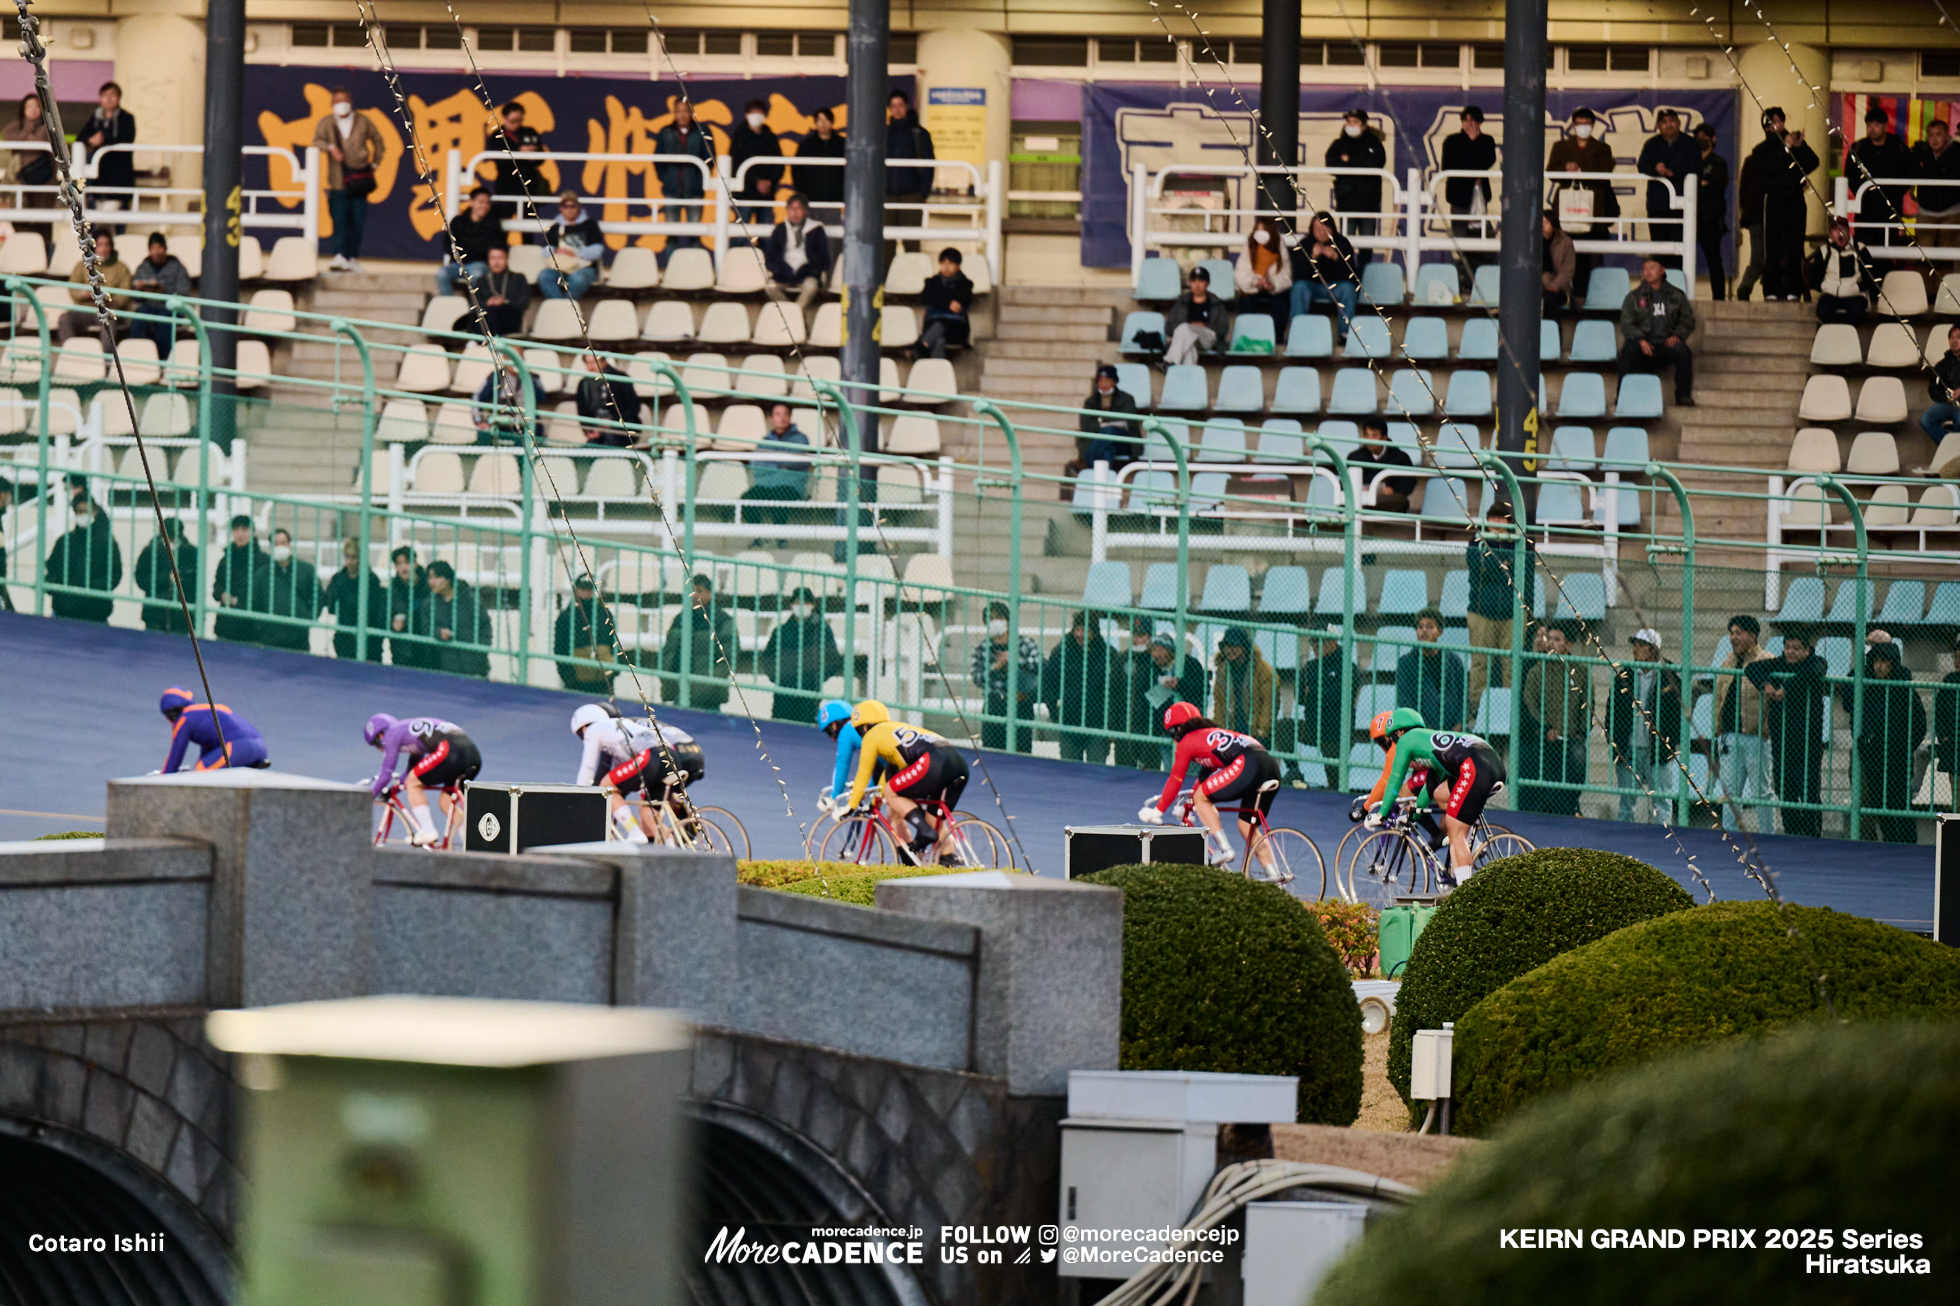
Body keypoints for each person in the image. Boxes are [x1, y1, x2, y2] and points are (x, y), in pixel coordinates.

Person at [1352, 707, 1507, 884]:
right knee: (1442, 794)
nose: (1394, 744)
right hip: (1492, 765)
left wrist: (1382, 813)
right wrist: (1414, 814)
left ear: (1400, 732)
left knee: (1455, 831)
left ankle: (1465, 895)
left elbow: (1395, 778)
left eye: (1393, 739)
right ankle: (1467, 844)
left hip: (1474, 767)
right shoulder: (1430, 741)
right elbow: (1431, 786)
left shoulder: (1406, 741)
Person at [1138, 701, 1284, 877]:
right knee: (1247, 828)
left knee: (1202, 799)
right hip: (1268, 766)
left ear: (1176, 731)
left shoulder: (1186, 742)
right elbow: (1205, 775)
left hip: (1248, 763)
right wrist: (1191, 797)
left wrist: (1158, 810)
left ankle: (1224, 849)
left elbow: (1175, 779)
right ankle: (1275, 877)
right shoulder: (1208, 736)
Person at [840, 700, 969, 864]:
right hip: (958, 763)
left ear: (864, 727)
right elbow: (887, 776)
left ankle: (924, 832)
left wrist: (851, 804)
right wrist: (874, 803)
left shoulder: (872, 736)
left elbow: (863, 773)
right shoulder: (893, 732)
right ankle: (949, 860)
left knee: (891, 793)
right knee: (934, 820)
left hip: (934, 762)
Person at [571, 703, 705, 844]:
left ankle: (634, 832)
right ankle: (670, 845)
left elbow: (588, 767)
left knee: (606, 787)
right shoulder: (622, 727)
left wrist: (581, 794)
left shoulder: (593, 730)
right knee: (647, 814)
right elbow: (622, 770)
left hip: (652, 756)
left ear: (584, 728)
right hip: (672, 756)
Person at [1837, 640, 1926, 843]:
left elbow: (1919, 724)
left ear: (1893, 663)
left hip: (1897, 760)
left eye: (1884, 662)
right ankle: (1890, 844)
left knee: (1900, 805)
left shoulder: (1904, 688)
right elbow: (1848, 699)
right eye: (1875, 661)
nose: (1879, 666)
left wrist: (1902, 747)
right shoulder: (1867, 684)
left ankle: (1908, 846)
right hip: (1873, 757)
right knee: (1879, 806)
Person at [1464, 502, 1535, 726]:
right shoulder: (1475, 540)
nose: (1496, 523)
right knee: (1480, 664)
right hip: (1481, 612)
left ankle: (1509, 713)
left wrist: (1498, 564)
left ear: (1509, 522)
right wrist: (1505, 565)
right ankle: (1476, 711)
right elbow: (1480, 568)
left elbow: (1525, 572)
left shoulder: (1522, 542)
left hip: (1513, 613)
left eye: (1501, 518)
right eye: (1492, 518)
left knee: (1511, 666)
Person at [364, 713, 481, 846]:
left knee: (412, 783)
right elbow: (412, 769)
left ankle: (428, 831)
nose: (379, 749)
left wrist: (366, 797)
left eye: (376, 744)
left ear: (380, 735)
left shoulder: (391, 733)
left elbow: (386, 773)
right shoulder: (407, 732)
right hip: (472, 754)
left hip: (450, 749)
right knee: (446, 802)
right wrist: (393, 790)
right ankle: (472, 846)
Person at [1606, 627, 1683, 824]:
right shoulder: (1623, 677)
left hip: (1658, 749)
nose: (1634, 649)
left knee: (1661, 802)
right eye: (1635, 645)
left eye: (1640, 645)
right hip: (1628, 747)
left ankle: (1662, 841)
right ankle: (1623, 841)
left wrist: (1670, 743)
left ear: (1653, 649)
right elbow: (1611, 712)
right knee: (1626, 803)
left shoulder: (1670, 677)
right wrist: (1614, 742)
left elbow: (1679, 716)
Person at [1759, 626, 1830, 837]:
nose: (1790, 652)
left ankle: (1811, 834)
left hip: (1808, 740)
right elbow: (1752, 669)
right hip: (1782, 739)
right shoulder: (1778, 663)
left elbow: (1814, 672)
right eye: (1787, 647)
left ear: (1807, 650)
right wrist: (1766, 684)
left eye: (1796, 648)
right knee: (1785, 790)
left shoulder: (1816, 662)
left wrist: (1787, 687)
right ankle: (1791, 833)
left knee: (1808, 790)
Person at [1519, 620, 1590, 816]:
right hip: (1545, 735)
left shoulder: (1581, 671)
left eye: (1556, 639)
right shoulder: (1536, 671)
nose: (1550, 643)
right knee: (1542, 763)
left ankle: (1570, 805)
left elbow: (1587, 705)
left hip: (1571, 736)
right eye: (1549, 638)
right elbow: (1530, 703)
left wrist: (1581, 732)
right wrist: (1545, 727)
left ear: (1568, 645)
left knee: (1578, 759)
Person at [1713, 613, 1774, 833]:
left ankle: (1768, 833)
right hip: (1729, 736)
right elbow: (1719, 697)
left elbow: (1773, 702)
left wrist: (1766, 728)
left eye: (1738, 633)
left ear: (1752, 635)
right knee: (1729, 791)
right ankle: (1729, 832)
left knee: (1761, 791)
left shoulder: (1767, 661)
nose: (1733, 638)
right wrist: (1718, 728)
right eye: (1731, 633)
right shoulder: (1727, 662)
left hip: (1756, 737)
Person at [1750, 108, 1819, 300]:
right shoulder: (1761, 149)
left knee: (1795, 246)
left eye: (1781, 121)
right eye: (1774, 123)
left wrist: (1800, 145)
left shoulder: (1794, 143)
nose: (1779, 125)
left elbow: (1814, 161)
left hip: (1796, 199)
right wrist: (1786, 149)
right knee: (1772, 247)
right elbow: (1768, 169)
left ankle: (1793, 290)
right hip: (1774, 200)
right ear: (1766, 126)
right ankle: (1771, 289)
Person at [312, 86, 381, 272]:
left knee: (357, 220)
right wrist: (330, 147)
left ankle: (352, 257)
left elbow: (379, 141)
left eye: (345, 101)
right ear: (332, 104)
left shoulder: (363, 120)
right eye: (337, 101)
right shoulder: (326, 123)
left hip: (359, 179)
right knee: (339, 219)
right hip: (337, 181)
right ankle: (339, 255)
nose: (341, 105)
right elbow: (316, 141)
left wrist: (373, 165)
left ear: (350, 102)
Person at [1547, 107, 1619, 287]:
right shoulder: (1560, 146)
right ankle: (1561, 294)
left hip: (1594, 208)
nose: (1582, 127)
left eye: (1586, 123)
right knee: (1562, 255)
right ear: (1573, 125)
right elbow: (1551, 172)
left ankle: (1591, 298)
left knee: (1592, 259)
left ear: (1593, 125)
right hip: (1566, 207)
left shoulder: (1603, 148)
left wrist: (1581, 171)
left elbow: (1605, 172)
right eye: (1579, 124)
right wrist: (1565, 170)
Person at [1617, 255, 1696, 406]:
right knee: (1627, 351)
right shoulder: (1634, 297)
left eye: (1652, 268)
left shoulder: (1676, 295)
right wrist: (1640, 340)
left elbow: (1688, 320)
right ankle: (1622, 396)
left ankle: (1683, 396)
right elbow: (1626, 323)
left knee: (1683, 351)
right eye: (1645, 269)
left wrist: (1677, 335)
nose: (1648, 272)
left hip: (1665, 344)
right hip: (1643, 344)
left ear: (1662, 270)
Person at [758, 585, 842, 723]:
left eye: (806, 602)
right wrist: (778, 677)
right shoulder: (782, 631)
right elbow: (767, 658)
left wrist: (816, 679)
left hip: (809, 695)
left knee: (806, 733)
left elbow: (833, 660)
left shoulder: (821, 631)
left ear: (813, 605)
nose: (801, 606)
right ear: (792, 605)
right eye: (798, 602)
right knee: (780, 730)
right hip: (784, 694)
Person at [1042, 609, 1114, 763]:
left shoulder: (1107, 654)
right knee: (1070, 771)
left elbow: (1115, 691)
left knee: (1096, 771)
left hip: (1097, 725)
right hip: (1069, 724)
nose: (1080, 634)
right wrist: (1055, 714)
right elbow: (1049, 685)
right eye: (1077, 629)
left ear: (1094, 631)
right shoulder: (1061, 652)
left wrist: (1110, 722)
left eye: (1085, 630)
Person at [660, 573, 737, 709]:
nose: (695, 596)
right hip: (679, 690)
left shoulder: (722, 621)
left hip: (709, 697)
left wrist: (705, 685)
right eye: (692, 591)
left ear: (709, 593)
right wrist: (668, 680)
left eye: (699, 591)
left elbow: (729, 657)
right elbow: (669, 652)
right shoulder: (680, 620)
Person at [971, 599, 1039, 751]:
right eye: (990, 620)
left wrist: (1015, 660)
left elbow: (1037, 665)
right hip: (994, 704)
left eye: (999, 619)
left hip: (1020, 703)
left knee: (1021, 754)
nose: (995, 622)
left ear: (1007, 621)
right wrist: (996, 666)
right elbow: (977, 677)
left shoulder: (1025, 643)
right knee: (992, 754)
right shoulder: (981, 648)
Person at [44, 491, 119, 623]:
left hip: (95, 613)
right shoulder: (64, 542)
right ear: (74, 512)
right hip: (65, 611)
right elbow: (52, 570)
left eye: (87, 511)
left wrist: (89, 589)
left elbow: (114, 575)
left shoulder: (106, 543)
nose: (83, 515)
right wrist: (58, 589)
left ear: (95, 512)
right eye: (80, 511)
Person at [739, 401, 812, 536]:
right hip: (766, 486)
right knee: (747, 498)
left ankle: (780, 537)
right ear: (772, 418)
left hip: (790, 486)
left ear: (790, 417)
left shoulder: (801, 439)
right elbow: (757, 465)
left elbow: (797, 462)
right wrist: (783, 463)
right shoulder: (764, 441)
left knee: (780, 495)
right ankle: (757, 535)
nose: (782, 418)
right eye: (778, 414)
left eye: (785, 414)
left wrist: (772, 460)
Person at [1439, 105, 1497, 273]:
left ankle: (1485, 270)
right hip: (1459, 196)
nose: (1469, 124)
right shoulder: (1452, 141)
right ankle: (1464, 273)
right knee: (1460, 234)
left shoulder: (1487, 141)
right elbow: (1450, 165)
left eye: (1473, 120)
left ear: (1480, 122)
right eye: (1466, 120)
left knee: (1485, 233)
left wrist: (1475, 142)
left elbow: (1486, 162)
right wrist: (1470, 143)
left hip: (1480, 194)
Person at [1636, 110, 1698, 267]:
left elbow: (1696, 167)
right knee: (1659, 252)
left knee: (1680, 253)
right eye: (1664, 122)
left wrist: (1672, 172)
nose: (1668, 124)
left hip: (1683, 208)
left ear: (1679, 123)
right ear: (1658, 126)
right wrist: (1655, 169)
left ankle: (1678, 289)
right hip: (1657, 207)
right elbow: (1642, 166)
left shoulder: (1690, 143)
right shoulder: (1652, 144)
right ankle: (1661, 289)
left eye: (1672, 120)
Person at [654, 99, 714, 256]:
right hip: (671, 190)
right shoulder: (665, 132)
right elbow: (658, 159)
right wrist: (666, 178)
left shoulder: (703, 132)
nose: (682, 115)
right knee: (671, 235)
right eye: (678, 111)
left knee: (694, 235)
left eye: (685, 111)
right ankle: (672, 271)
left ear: (691, 112)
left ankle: (694, 272)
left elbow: (709, 158)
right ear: (674, 112)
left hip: (694, 191)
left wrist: (699, 180)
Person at [1844, 106, 1911, 247]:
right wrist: (1863, 194)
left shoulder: (1899, 148)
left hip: (1890, 210)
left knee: (1888, 247)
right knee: (1863, 249)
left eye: (1876, 125)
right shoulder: (1858, 148)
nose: (1872, 129)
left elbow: (1908, 175)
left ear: (1885, 126)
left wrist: (1893, 194)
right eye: (1869, 125)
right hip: (1865, 210)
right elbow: (1849, 175)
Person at [159, 687, 268, 772]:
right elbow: (208, 750)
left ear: (170, 714)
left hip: (236, 748)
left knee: (202, 771)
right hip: (260, 747)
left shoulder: (184, 719)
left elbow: (175, 756)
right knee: (208, 766)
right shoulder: (208, 710)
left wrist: (163, 782)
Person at [1296, 625, 1356, 779]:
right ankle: (1295, 771)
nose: (1316, 646)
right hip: (1312, 726)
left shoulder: (1348, 666)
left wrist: (1314, 693)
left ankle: (1334, 788)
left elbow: (1338, 698)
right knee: (1284, 728)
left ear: (1334, 642)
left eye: (1321, 642)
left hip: (1335, 732)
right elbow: (1299, 696)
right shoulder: (1311, 666)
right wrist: (1319, 695)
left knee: (1334, 774)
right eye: (1314, 642)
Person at [1324, 109, 1385, 261]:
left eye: (1355, 122)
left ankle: (1364, 278)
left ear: (1364, 125)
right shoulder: (1339, 144)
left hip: (1369, 205)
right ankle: (1348, 278)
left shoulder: (1374, 144)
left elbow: (1376, 163)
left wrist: (1349, 160)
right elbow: (1331, 164)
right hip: (1346, 203)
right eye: (1349, 121)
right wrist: (1358, 161)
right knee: (1345, 246)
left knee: (1367, 246)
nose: (1351, 125)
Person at [1287, 211, 1359, 336]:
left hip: (1336, 286)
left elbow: (1352, 275)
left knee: (1348, 289)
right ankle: (1297, 332)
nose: (1321, 233)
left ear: (1332, 228)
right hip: (1312, 286)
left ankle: (1345, 333)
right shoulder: (1305, 244)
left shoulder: (1342, 243)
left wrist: (1336, 258)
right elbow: (1297, 274)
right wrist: (1313, 257)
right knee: (1299, 288)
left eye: (1325, 228)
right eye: (1317, 229)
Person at [1396, 608, 1467, 732]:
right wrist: (1422, 727)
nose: (1424, 631)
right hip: (1421, 731)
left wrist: (1459, 724)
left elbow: (1464, 696)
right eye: (1420, 627)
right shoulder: (1406, 663)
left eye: (1430, 627)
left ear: (1439, 631)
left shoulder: (1454, 662)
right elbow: (1405, 700)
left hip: (1453, 730)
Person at [884, 90, 936, 257]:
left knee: (912, 243)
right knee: (885, 244)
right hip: (887, 196)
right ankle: (884, 282)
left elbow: (929, 165)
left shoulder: (919, 133)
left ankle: (913, 282)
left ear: (906, 106)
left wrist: (921, 194)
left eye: (900, 105)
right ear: (889, 108)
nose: (897, 109)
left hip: (911, 196)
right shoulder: (882, 134)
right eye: (893, 106)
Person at [760, 192, 831, 312]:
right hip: (784, 274)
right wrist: (781, 269)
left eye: (798, 209)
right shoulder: (780, 230)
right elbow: (770, 257)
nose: (795, 213)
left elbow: (824, 260)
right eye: (791, 209)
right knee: (769, 286)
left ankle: (793, 314)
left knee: (811, 286)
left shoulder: (816, 229)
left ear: (805, 211)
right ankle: (794, 313)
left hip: (807, 274)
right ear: (787, 210)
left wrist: (807, 269)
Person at [56, 231, 131, 344]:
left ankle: (105, 359)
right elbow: (73, 288)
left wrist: (111, 301)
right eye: (100, 244)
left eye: (107, 245)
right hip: (86, 308)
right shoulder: (81, 265)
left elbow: (125, 292)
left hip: (108, 309)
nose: (104, 248)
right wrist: (84, 295)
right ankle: (69, 352)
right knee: (64, 319)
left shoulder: (122, 268)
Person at [1109, 615, 1162, 770]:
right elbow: (1113, 693)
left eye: (1141, 635)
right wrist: (1113, 726)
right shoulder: (1122, 659)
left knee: (1150, 775)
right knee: (1122, 773)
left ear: (1150, 637)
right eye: (1134, 635)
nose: (1136, 640)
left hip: (1150, 730)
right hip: (1125, 728)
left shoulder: (1157, 661)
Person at [1070, 364, 1142, 475]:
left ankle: (1088, 467)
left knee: (1108, 432)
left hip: (1123, 442)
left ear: (1114, 381)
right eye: (1100, 380)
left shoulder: (1127, 399)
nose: (1103, 384)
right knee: (1107, 448)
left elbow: (1126, 422)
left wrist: (1101, 422)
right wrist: (1108, 423)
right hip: (1102, 440)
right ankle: (1104, 476)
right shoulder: (1091, 401)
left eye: (1107, 380)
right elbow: (1086, 424)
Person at [126, 232, 191, 355]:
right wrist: (140, 289)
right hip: (147, 307)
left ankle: (164, 360)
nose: (157, 252)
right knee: (140, 317)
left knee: (163, 320)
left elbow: (183, 294)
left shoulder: (178, 268)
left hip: (169, 309)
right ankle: (134, 354)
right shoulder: (142, 268)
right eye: (153, 248)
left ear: (165, 249)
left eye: (160, 248)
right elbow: (134, 297)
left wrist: (163, 289)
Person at [322, 538, 385, 661]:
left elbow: (375, 611)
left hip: (369, 640)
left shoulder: (371, 581)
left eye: (354, 557)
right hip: (344, 638)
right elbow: (330, 606)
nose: (350, 561)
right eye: (347, 556)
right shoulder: (338, 579)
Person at [425, 560, 492, 677]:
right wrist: (438, 632)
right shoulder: (429, 604)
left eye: (437, 577)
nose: (432, 582)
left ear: (448, 578)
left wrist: (481, 650)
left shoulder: (470, 599)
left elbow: (485, 625)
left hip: (473, 663)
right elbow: (426, 628)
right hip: (446, 664)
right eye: (430, 577)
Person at [554, 572, 619, 691]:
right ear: (576, 590)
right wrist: (569, 678)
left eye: (589, 589)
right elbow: (560, 649)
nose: (586, 593)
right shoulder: (566, 617)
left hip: (604, 681)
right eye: (583, 589)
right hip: (578, 681)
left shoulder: (604, 614)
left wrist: (614, 669)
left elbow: (614, 642)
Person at [1805, 217, 1876, 325]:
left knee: (1857, 311)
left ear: (1849, 232)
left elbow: (1871, 277)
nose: (1840, 234)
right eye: (1835, 230)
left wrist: (1857, 288)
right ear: (1831, 235)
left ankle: (1847, 334)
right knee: (1823, 311)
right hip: (1830, 294)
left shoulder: (1860, 250)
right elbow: (1814, 277)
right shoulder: (1824, 251)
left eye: (1842, 229)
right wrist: (1825, 286)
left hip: (1854, 295)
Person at [488, 101, 544, 236]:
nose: (516, 124)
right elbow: (499, 160)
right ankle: (499, 255)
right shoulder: (497, 136)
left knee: (529, 227)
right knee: (502, 225)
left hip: (528, 186)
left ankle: (528, 253)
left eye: (519, 120)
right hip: (506, 186)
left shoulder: (530, 132)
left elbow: (541, 157)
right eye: (513, 121)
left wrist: (533, 155)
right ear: (504, 118)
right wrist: (520, 152)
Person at [79, 82, 136, 216]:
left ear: (119, 98)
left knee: (117, 218)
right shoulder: (95, 119)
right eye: (105, 95)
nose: (108, 99)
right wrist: (91, 140)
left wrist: (104, 139)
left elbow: (127, 139)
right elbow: (81, 138)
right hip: (98, 177)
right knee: (94, 219)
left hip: (119, 176)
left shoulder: (127, 118)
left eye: (112, 95)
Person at [3, 93, 53, 244]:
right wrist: (28, 133)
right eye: (29, 106)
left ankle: (44, 257)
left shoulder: (49, 127)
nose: (33, 110)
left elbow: (40, 141)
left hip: (44, 182)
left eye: (37, 106)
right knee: (19, 218)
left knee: (42, 222)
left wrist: (23, 136)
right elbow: (7, 136)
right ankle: (23, 254)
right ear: (22, 109)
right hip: (19, 181)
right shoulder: (15, 125)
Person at [1212, 626, 1276, 744]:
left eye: (1235, 646)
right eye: (1227, 646)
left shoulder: (1263, 671)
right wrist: (1218, 732)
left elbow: (1268, 704)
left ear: (1244, 647)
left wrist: (1262, 731)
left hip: (1255, 732)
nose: (1230, 650)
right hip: (1231, 732)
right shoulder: (1222, 672)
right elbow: (1219, 705)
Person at [261, 528, 320, 653]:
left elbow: (318, 598)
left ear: (290, 545)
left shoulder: (306, 571)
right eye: (276, 544)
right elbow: (255, 602)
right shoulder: (263, 574)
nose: (280, 547)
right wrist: (262, 629)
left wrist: (307, 619)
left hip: (299, 639)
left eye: (283, 543)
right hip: (270, 639)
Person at [212, 514, 269, 644]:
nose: (240, 534)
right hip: (225, 626)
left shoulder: (262, 561)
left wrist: (237, 601)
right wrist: (221, 595)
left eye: (244, 530)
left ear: (253, 532)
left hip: (252, 630)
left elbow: (262, 594)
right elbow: (216, 586)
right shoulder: (226, 559)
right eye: (236, 530)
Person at [132, 516, 195, 633]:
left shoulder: (191, 552)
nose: (172, 542)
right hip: (155, 614)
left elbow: (196, 583)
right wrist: (167, 578)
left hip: (182, 617)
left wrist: (183, 579)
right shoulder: (150, 551)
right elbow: (141, 579)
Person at [728, 98, 783, 232]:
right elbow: (735, 165)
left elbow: (779, 164)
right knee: (740, 234)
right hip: (744, 195)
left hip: (766, 196)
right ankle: (735, 254)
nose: (756, 116)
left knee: (766, 233)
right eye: (753, 113)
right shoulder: (739, 137)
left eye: (760, 113)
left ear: (765, 116)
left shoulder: (770, 137)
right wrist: (755, 182)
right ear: (746, 115)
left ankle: (764, 254)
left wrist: (770, 182)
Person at [1232, 217, 1291, 339]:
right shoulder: (1249, 245)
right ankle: (1247, 336)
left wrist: (1272, 283)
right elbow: (1241, 273)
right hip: (1253, 285)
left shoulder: (1280, 246)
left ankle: (1277, 336)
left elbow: (1286, 275)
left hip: (1272, 287)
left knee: (1281, 300)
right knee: (1246, 298)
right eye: (1257, 231)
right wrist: (1255, 281)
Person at [1911, 118, 1960, 263]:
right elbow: (1913, 173)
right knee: (1923, 257)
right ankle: (1924, 286)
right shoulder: (1920, 151)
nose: (1934, 139)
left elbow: (1953, 175)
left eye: (1938, 134)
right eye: (1931, 135)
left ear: (1947, 135)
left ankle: (1944, 286)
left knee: (1947, 257)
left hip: (1952, 212)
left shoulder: (1957, 151)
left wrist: (1930, 171)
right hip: (1925, 212)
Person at [539, 192, 605, 300]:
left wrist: (577, 253)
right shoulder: (556, 227)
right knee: (544, 276)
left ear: (578, 208)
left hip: (583, 267)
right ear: (561, 209)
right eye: (565, 206)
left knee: (577, 279)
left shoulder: (590, 225)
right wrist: (556, 250)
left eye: (572, 206)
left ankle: (567, 308)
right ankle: (561, 307)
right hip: (561, 266)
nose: (569, 209)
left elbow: (598, 250)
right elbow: (544, 250)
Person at [1692, 122, 1731, 300]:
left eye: (1704, 137)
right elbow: (1689, 187)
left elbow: (1716, 186)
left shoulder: (1719, 162)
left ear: (1713, 139)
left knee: (1714, 261)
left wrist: (1701, 186)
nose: (1701, 140)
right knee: (1683, 260)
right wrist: (1702, 184)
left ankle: (1719, 299)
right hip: (1691, 218)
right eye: (1698, 138)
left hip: (1711, 219)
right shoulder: (1690, 162)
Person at [437, 188, 501, 296]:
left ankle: (475, 309)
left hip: (479, 264)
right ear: (471, 202)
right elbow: (448, 244)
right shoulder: (458, 221)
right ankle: (448, 306)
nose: (484, 206)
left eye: (487, 203)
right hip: (457, 264)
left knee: (477, 274)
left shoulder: (493, 224)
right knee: (442, 273)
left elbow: (493, 247)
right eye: (480, 202)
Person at [1163, 266, 1230, 368]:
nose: (1197, 285)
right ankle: (1187, 380)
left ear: (1208, 283)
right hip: (1188, 340)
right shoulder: (1182, 302)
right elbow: (1168, 328)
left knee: (1185, 328)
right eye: (1194, 281)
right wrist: (1191, 326)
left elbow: (1223, 329)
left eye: (1201, 281)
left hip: (1208, 338)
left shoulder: (1216, 302)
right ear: (1189, 283)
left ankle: (1169, 362)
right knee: (1189, 349)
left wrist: (1204, 326)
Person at [915, 247, 974, 361]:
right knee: (939, 340)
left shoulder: (965, 284)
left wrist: (940, 299)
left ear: (958, 266)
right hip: (933, 325)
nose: (946, 267)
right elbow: (926, 298)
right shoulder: (932, 282)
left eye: (950, 263)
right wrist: (948, 303)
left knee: (940, 325)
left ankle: (921, 347)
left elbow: (964, 298)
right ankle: (936, 372)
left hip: (956, 328)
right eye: (943, 263)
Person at [472, 358, 548, 444]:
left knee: (529, 433)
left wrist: (528, 379)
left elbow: (542, 397)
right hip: (501, 421)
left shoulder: (532, 377)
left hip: (524, 423)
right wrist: (480, 421)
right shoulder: (495, 377)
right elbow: (477, 398)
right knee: (484, 434)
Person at [573, 351, 642, 444]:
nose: (591, 366)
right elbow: (582, 411)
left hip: (622, 430)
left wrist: (613, 422)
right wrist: (591, 429)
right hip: (598, 431)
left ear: (604, 362)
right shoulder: (583, 384)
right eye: (588, 363)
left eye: (594, 362)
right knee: (588, 449)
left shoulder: (621, 379)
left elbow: (633, 408)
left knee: (609, 440)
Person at [1354, 417, 1416, 513]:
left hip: (1385, 499)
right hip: (1362, 497)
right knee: (1350, 500)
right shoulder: (1355, 456)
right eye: (1367, 435)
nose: (1370, 440)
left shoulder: (1400, 457)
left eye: (1374, 436)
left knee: (1401, 502)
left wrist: (1393, 489)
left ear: (1384, 437)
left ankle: (1363, 510)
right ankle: (1363, 508)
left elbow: (1409, 481)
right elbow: (1345, 482)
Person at [793, 107, 846, 219]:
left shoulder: (842, 144)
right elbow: (797, 171)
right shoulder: (806, 145)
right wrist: (803, 194)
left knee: (832, 233)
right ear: (815, 123)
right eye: (819, 120)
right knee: (811, 233)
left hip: (834, 200)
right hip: (811, 200)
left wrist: (842, 194)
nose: (823, 124)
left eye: (826, 120)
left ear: (832, 122)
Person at [467, 245, 530, 336]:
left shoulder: (518, 278)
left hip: (509, 318)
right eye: (493, 258)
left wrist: (505, 302)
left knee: (497, 312)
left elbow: (524, 302)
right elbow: (474, 304)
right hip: (486, 317)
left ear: (506, 259)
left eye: (500, 258)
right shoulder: (482, 281)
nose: (496, 262)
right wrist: (488, 303)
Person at [387, 546, 430, 669]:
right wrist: (393, 625)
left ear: (415, 563)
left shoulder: (428, 585)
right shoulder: (393, 590)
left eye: (407, 562)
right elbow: (384, 616)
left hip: (426, 645)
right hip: (403, 649)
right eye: (399, 564)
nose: (403, 567)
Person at [1733, 146, 1766, 302]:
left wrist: (1744, 213)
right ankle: (1747, 288)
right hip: (1764, 216)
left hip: (1754, 216)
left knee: (1758, 257)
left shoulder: (1750, 161)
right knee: (1766, 257)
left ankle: (1745, 287)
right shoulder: (1758, 161)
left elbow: (1742, 191)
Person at [1932, 635, 1960, 803]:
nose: (1957, 661)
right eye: (1956, 656)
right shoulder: (1949, 681)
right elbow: (1940, 714)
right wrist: (1943, 737)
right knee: (1956, 793)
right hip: (1953, 745)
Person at [1922, 325, 1960, 443]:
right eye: (1951, 338)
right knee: (1926, 420)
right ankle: (1948, 446)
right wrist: (1947, 398)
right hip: (1948, 404)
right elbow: (1933, 390)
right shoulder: (1941, 365)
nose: (1954, 341)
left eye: (1958, 337)